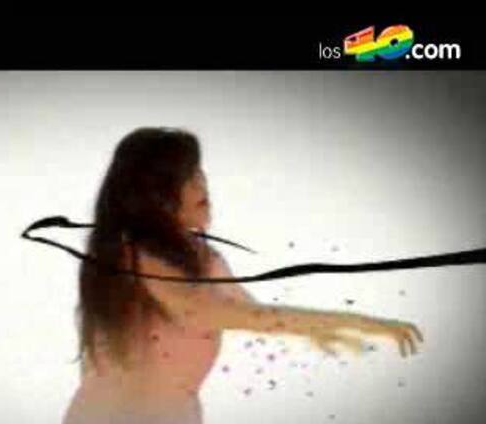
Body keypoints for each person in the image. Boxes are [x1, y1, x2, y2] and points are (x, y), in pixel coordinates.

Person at [62, 127, 423, 424]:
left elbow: (254, 312)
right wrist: (360, 323)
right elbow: (235, 315)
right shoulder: (130, 257)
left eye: (199, 173)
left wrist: (319, 331)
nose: (201, 185)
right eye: (185, 178)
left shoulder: (204, 258)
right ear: (152, 196)